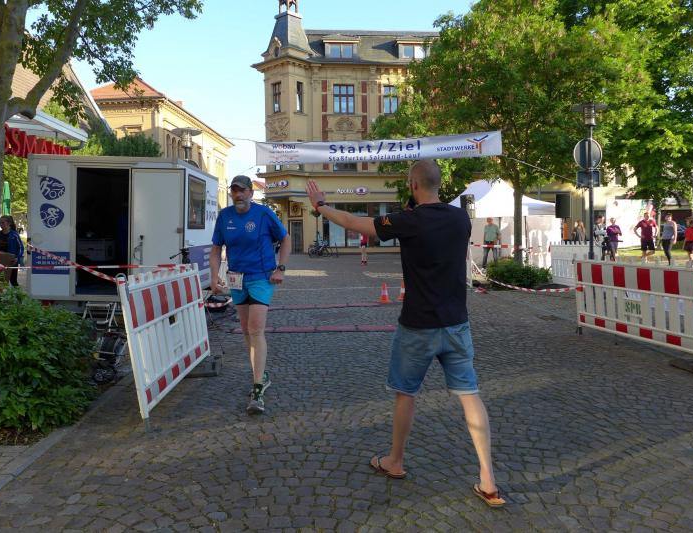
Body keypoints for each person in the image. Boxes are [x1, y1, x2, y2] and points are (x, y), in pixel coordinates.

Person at [305, 160, 504, 507]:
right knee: (470, 395)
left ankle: (395, 461)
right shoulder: (461, 218)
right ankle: (488, 479)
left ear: (413, 184)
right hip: (456, 323)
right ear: (439, 183)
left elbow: (353, 222)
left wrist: (321, 206)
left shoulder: (407, 220)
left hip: (417, 325)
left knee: (405, 394)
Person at [209, 176, 291, 414]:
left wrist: (281, 268)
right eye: (234, 191)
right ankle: (260, 374)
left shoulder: (263, 214)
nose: (238, 195)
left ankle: (257, 389)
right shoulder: (224, 216)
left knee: (255, 329)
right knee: (246, 330)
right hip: (236, 278)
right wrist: (214, 277)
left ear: (250, 193)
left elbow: (285, 239)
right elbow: (216, 249)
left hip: (261, 277)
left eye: (242, 191)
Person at [0, 215, 24, 286]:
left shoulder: (14, 234)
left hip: (12, 261)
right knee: (0, 281)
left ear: (8, 223)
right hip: (0, 261)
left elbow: (21, 247)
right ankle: (1, 294)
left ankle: (19, 293)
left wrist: (17, 257)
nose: (1, 224)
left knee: (13, 281)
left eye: (3, 222)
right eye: (0, 223)